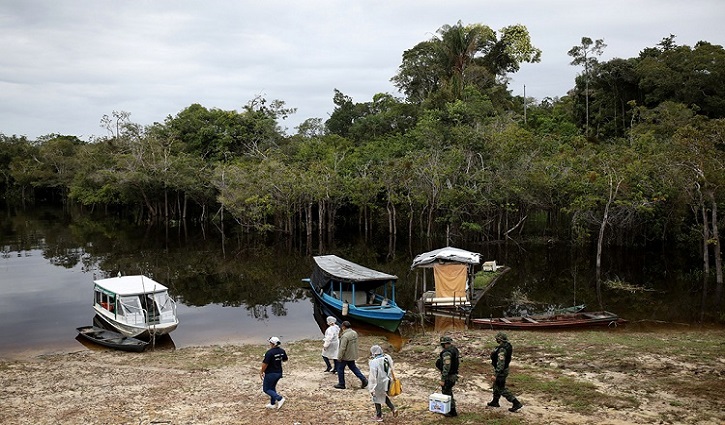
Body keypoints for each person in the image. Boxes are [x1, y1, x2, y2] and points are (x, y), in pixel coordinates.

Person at [487, 332, 523, 412]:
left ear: (499, 339)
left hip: (501, 371)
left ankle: (516, 403)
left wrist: (496, 374)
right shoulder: (507, 346)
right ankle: (495, 401)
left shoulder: (502, 349)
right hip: (503, 370)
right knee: (496, 386)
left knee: (501, 388)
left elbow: (501, 363)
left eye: (497, 338)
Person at [334, 321, 368, 389]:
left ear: (343, 327)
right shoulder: (354, 333)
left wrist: (339, 357)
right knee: (353, 367)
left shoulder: (345, 336)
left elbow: (342, 348)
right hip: (352, 355)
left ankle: (341, 384)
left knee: (340, 369)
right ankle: (363, 379)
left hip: (345, 356)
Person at [367, 345, 398, 421]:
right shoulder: (387, 357)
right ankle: (393, 408)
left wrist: (371, 387)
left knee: (376, 398)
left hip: (379, 381)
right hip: (387, 380)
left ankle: (379, 416)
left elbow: (373, 376)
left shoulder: (374, 362)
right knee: (383, 396)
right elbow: (391, 368)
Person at [260, 336, 288, 409]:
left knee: (266, 389)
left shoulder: (269, 353)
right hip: (279, 372)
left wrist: (261, 372)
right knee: (272, 388)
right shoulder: (282, 351)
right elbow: (285, 359)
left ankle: (279, 398)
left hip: (271, 373)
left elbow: (265, 364)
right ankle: (272, 404)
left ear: (272, 343)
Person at [436, 335, 459, 417]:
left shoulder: (447, 353)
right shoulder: (454, 349)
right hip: (453, 375)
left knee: (447, 393)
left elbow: (446, 366)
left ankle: (452, 411)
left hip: (449, 376)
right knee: (448, 392)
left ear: (445, 344)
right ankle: (451, 410)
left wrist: (443, 379)